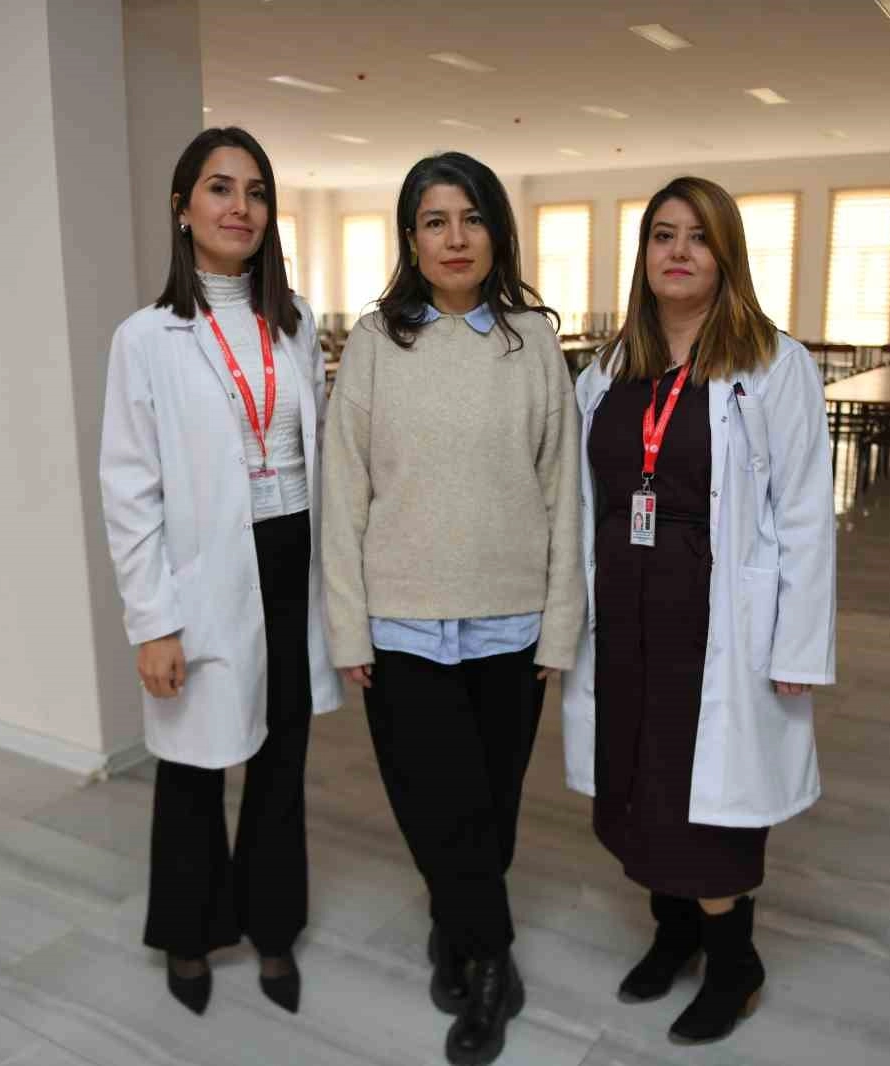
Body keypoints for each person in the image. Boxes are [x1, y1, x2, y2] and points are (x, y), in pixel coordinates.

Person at [320, 151, 583, 1066]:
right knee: (433, 805)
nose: (456, 238)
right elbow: (344, 493)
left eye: (472, 219)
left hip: (511, 622)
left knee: (491, 810)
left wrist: (560, 623)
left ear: (497, 232)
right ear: (411, 238)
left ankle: (456, 923)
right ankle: (492, 962)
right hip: (402, 625)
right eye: (436, 221)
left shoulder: (532, 343)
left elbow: (563, 493)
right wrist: (347, 625)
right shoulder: (375, 343)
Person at [561, 176, 836, 1047]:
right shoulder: (609, 369)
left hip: (716, 619)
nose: (678, 252)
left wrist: (798, 644)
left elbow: (805, 513)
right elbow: (580, 499)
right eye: (662, 235)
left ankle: (734, 964)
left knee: (707, 803)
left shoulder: (773, 365)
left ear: (726, 256)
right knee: (638, 783)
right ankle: (673, 933)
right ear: (643, 254)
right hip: (623, 612)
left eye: (698, 237)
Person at [99, 127, 341, 1019]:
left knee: (282, 757)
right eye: (220, 188)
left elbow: (320, 447)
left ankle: (273, 925)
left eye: (256, 191)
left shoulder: (296, 320)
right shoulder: (146, 337)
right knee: (193, 762)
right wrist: (152, 621)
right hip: (202, 571)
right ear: (182, 208)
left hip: (291, 556)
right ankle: (189, 932)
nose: (241, 207)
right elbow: (130, 488)